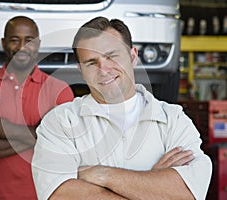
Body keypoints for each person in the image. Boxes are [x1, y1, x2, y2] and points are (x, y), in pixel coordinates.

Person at [32, 16, 212, 200]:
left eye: (111, 56)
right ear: (81, 69)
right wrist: (151, 183)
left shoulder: (173, 120)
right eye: (91, 62)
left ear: (133, 56)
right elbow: (59, 195)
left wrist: (102, 175)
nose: (104, 69)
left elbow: (186, 194)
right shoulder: (60, 122)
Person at [0, 16, 74, 199]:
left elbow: (63, 144)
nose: (22, 47)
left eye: (29, 40)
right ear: (4, 43)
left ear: (38, 44)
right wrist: (38, 135)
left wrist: (9, 130)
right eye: (14, 40)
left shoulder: (58, 90)